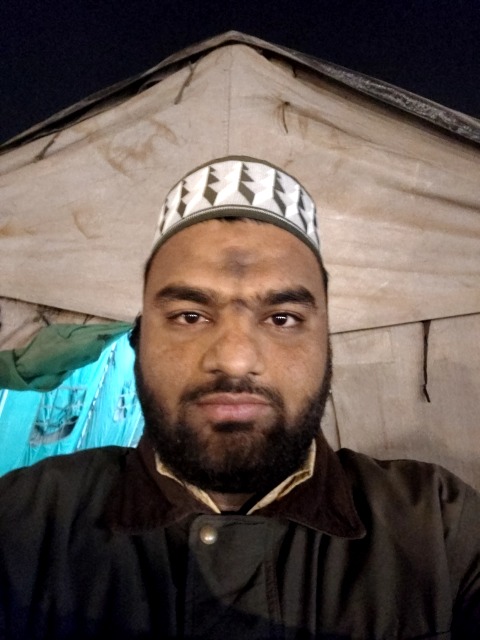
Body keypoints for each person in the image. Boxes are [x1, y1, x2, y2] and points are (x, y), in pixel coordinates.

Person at [0, 156, 479, 639]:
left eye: (282, 318)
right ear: (139, 340)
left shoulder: (438, 528)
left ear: (326, 344)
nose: (233, 360)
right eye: (189, 316)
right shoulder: (26, 520)